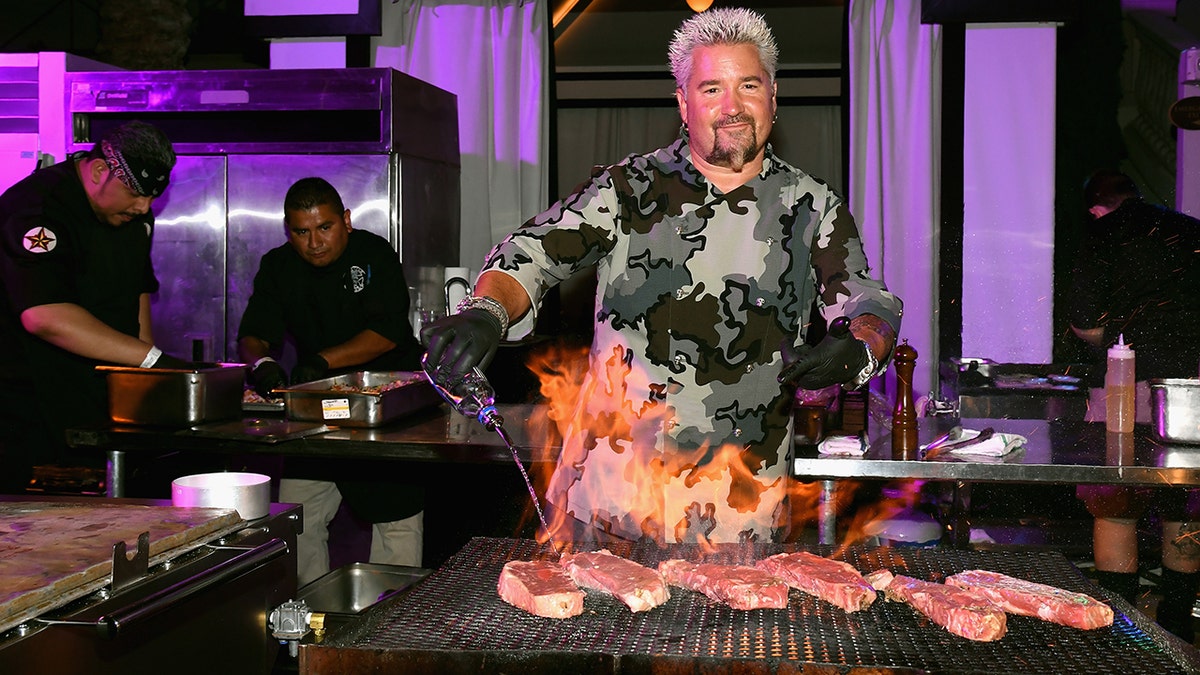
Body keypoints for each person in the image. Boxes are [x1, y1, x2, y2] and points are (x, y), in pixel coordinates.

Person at [422, 8, 902, 546]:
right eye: (711, 88)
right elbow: (530, 255)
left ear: (773, 95)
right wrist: (486, 312)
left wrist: (860, 347)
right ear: (683, 102)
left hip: (739, 510)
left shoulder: (812, 205)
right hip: (608, 503)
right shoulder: (627, 190)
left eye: (748, 84)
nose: (732, 106)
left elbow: (864, 297)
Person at [237, 176, 425, 585]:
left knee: (395, 519)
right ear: (289, 231)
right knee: (297, 518)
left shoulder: (373, 252)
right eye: (302, 232)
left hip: (383, 406)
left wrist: (322, 360)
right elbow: (252, 333)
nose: (314, 242)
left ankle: (390, 624)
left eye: (325, 228)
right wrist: (264, 361)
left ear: (346, 220)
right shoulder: (278, 266)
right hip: (317, 408)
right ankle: (307, 618)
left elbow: (387, 331)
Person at [0, 121, 186, 494]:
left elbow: (137, 293)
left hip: (99, 403)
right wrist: (152, 359)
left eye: (152, 197)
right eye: (136, 193)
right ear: (101, 171)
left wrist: (145, 379)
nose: (144, 207)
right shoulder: (37, 209)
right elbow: (44, 316)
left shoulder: (135, 216)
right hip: (26, 405)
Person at [1069, 168, 1200, 642]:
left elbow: (1086, 324)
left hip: (1132, 383)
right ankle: (1181, 628)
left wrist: (1114, 339)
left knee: (1116, 500)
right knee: (1184, 494)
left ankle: (1122, 630)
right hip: (1193, 391)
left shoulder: (1103, 233)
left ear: (1096, 208)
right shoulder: (1189, 229)